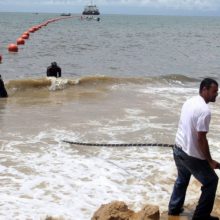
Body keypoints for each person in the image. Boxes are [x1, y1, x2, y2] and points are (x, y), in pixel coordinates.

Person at [168, 78, 219, 220]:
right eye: (214, 91)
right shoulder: (204, 111)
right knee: (211, 181)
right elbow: (201, 139)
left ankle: (174, 209)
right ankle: (201, 216)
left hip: (178, 149)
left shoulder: (189, 101)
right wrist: (209, 160)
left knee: (182, 179)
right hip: (191, 155)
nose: (216, 94)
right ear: (204, 89)